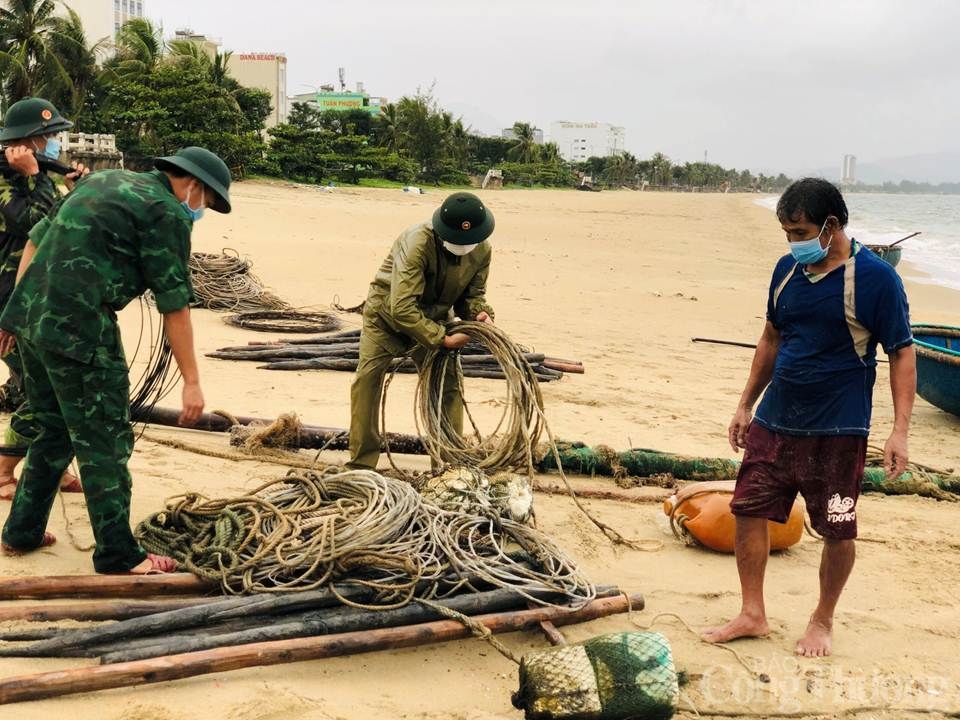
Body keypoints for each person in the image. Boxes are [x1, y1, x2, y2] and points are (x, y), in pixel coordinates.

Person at [702, 178, 916, 657]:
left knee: (837, 528)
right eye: (786, 233)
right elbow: (771, 340)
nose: (793, 242)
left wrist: (899, 431)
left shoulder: (877, 279)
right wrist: (745, 405)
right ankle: (752, 613)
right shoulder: (786, 272)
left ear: (831, 225)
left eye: (800, 231)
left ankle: (822, 620)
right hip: (776, 420)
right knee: (748, 510)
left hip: (838, 429)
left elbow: (902, 353)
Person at [0, 146, 231, 574]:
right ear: (194, 186)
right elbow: (175, 304)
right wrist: (192, 381)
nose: (202, 211)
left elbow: (36, 239)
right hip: (81, 329)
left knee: (53, 430)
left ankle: (21, 532)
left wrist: (14, 313)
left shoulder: (103, 179)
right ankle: (119, 555)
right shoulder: (168, 212)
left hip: (31, 318)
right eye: (208, 203)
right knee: (105, 439)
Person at [347, 191, 496, 470]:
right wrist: (442, 339)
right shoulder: (417, 242)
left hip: (434, 317)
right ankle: (361, 464)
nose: (464, 247)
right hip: (386, 318)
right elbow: (401, 307)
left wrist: (479, 314)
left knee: (447, 386)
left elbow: (472, 296)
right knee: (367, 380)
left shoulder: (482, 249)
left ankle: (448, 465)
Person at [0, 97, 89, 499]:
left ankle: (52, 466)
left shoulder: (38, 177)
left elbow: (60, 224)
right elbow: (33, 221)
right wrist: (36, 176)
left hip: (36, 297)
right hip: (8, 303)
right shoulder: (5, 181)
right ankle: (2, 470)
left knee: (41, 386)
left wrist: (73, 189)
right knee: (41, 390)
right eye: (49, 136)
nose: (54, 142)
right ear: (27, 141)